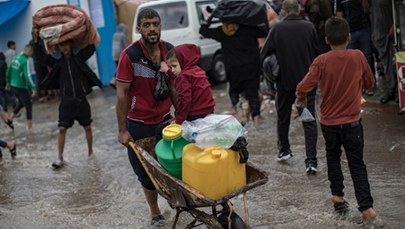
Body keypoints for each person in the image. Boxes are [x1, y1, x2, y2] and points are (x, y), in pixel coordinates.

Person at [295, 16, 378, 224]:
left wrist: (301, 98)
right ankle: (367, 209)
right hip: (352, 123)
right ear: (349, 37)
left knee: (332, 157)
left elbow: (303, 86)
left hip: (329, 124)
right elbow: (370, 83)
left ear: (326, 40)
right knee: (357, 164)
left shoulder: (321, 61)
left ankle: (337, 196)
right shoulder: (358, 56)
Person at [115, 9, 173, 226]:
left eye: (155, 24)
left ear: (160, 27)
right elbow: (121, 95)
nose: (151, 29)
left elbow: (176, 86)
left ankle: (176, 200)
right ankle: (155, 212)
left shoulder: (169, 50)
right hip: (138, 124)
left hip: (166, 120)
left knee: (174, 166)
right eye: (146, 24)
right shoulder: (129, 56)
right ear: (138, 29)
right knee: (146, 174)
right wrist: (122, 130)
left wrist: (183, 117)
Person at [261, 0, 319, 173]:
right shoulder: (309, 27)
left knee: (283, 117)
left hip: (284, 84)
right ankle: (311, 161)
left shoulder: (277, 29)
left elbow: (264, 55)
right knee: (309, 121)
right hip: (306, 86)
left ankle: (284, 150)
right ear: (299, 9)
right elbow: (318, 54)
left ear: (284, 12)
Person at [40, 41, 102, 169]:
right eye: (62, 46)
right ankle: (59, 157)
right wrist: (37, 41)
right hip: (66, 102)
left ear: (71, 46)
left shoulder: (79, 59)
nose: (65, 48)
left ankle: (90, 153)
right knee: (62, 129)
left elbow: (91, 47)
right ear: (60, 48)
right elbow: (42, 57)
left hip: (81, 100)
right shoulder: (58, 64)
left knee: (88, 127)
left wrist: (88, 28)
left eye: (67, 45)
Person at [199, 17, 267, 128]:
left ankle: (240, 112)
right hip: (252, 68)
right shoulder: (248, 29)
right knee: (253, 94)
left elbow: (203, 31)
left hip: (234, 70)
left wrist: (208, 21)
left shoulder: (222, 31)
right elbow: (264, 30)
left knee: (234, 92)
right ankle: (256, 119)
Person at [160, 44, 215, 124]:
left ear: (183, 60)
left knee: (161, 131)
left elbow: (184, 101)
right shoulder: (197, 71)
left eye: (174, 66)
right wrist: (168, 71)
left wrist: (179, 120)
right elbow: (179, 79)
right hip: (209, 111)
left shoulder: (184, 76)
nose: (172, 70)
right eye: (170, 67)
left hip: (194, 115)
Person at [336, 0, 375, 95]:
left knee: (367, 58)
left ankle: (369, 85)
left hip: (363, 28)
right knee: (352, 60)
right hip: (350, 32)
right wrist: (343, 31)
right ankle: (357, 85)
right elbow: (339, 15)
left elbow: (366, 9)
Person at [371, 0, 397, 104]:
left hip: (393, 31)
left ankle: (397, 91)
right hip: (379, 32)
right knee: (386, 63)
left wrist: (395, 24)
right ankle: (392, 88)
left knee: (395, 61)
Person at [5, 44, 36, 130]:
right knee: (28, 104)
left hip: (13, 85)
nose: (32, 54)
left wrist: (8, 82)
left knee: (22, 103)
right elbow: (27, 76)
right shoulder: (25, 60)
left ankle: (10, 117)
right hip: (21, 86)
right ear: (29, 51)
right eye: (32, 52)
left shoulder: (15, 58)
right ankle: (30, 128)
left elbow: (8, 71)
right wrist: (33, 87)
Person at [110, 23, 129, 89]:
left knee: (119, 68)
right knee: (121, 69)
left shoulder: (115, 35)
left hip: (114, 54)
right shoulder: (123, 35)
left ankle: (116, 82)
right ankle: (114, 81)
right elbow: (126, 46)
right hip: (120, 55)